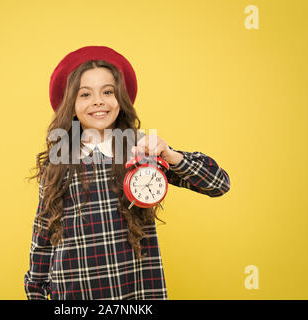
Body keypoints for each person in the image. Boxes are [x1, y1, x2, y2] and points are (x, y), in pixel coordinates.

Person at [24, 46, 230, 300]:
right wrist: (35, 290)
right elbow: (43, 233)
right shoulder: (60, 161)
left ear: (120, 99)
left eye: (107, 92)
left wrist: (169, 154)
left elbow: (218, 184)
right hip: (75, 292)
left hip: (136, 291)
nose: (98, 101)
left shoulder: (142, 150)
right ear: (71, 104)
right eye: (85, 94)